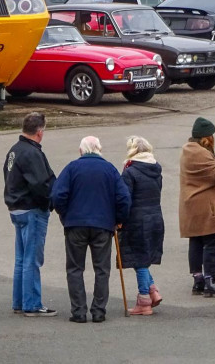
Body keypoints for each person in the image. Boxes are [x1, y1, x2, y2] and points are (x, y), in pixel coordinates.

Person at [51, 136, 132, 324]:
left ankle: (78, 312)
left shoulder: (72, 168)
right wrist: (118, 220)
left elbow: (57, 194)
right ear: (99, 149)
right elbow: (124, 198)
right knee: (102, 269)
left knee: (75, 268)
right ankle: (98, 311)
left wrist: (65, 215)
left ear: (81, 151)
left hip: (75, 224)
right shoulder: (110, 169)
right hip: (103, 225)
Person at [3, 113, 57, 317]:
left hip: (16, 208)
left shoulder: (14, 150)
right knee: (32, 260)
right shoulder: (32, 153)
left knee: (21, 259)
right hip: (32, 209)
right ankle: (32, 304)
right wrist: (49, 203)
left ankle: (19, 302)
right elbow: (41, 184)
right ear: (40, 132)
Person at [179, 117, 215, 299]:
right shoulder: (200, 153)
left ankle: (199, 279)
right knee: (211, 242)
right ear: (206, 138)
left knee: (196, 241)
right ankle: (211, 280)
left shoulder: (188, 150)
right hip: (205, 206)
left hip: (191, 206)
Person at [119, 136, 165, 316]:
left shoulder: (130, 171)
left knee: (139, 259)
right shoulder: (156, 169)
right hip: (155, 217)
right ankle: (152, 290)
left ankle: (144, 299)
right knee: (144, 257)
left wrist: (119, 218)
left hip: (138, 220)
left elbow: (125, 199)